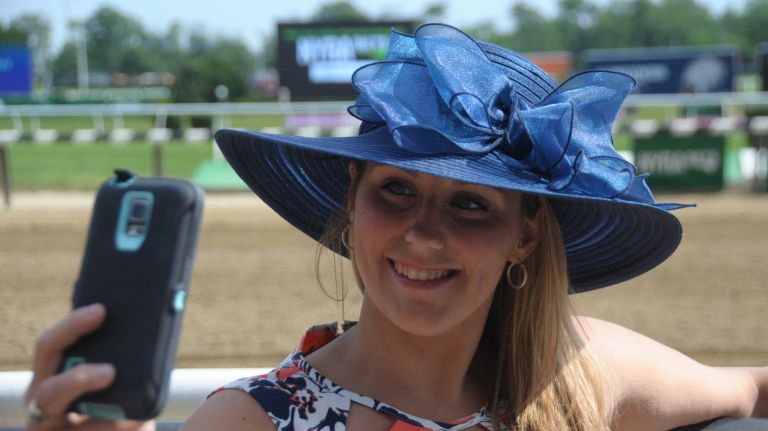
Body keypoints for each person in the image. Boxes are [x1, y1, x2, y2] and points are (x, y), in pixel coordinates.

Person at [24, 23, 767, 431]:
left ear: (527, 235)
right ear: (352, 203)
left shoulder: (580, 379)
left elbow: (750, 390)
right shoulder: (246, 423)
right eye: (397, 190)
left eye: (472, 203)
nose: (422, 233)